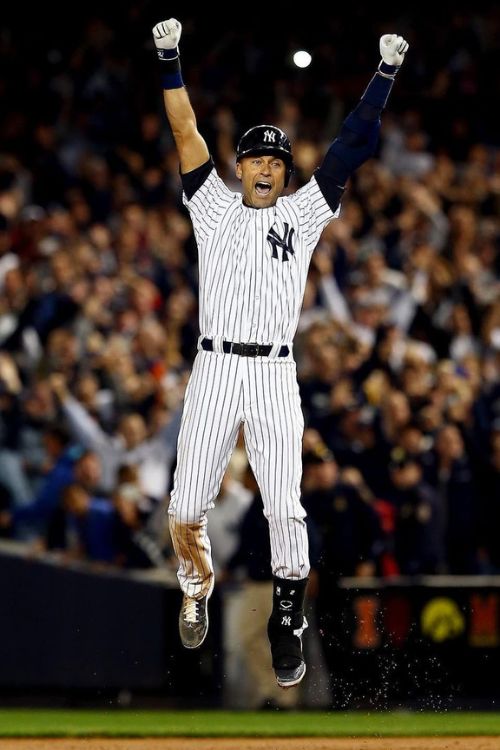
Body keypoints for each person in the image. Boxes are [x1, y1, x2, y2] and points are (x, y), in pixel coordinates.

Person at [152, 17, 409, 688]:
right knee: (185, 508)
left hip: (271, 369)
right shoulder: (211, 206)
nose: (266, 167)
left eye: (276, 161)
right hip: (213, 368)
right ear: (238, 169)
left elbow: (351, 147)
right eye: (255, 159)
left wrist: (382, 78)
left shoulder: (302, 213)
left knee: (285, 507)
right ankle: (195, 587)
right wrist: (170, 57)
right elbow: (185, 132)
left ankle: (287, 613)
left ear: (284, 173)